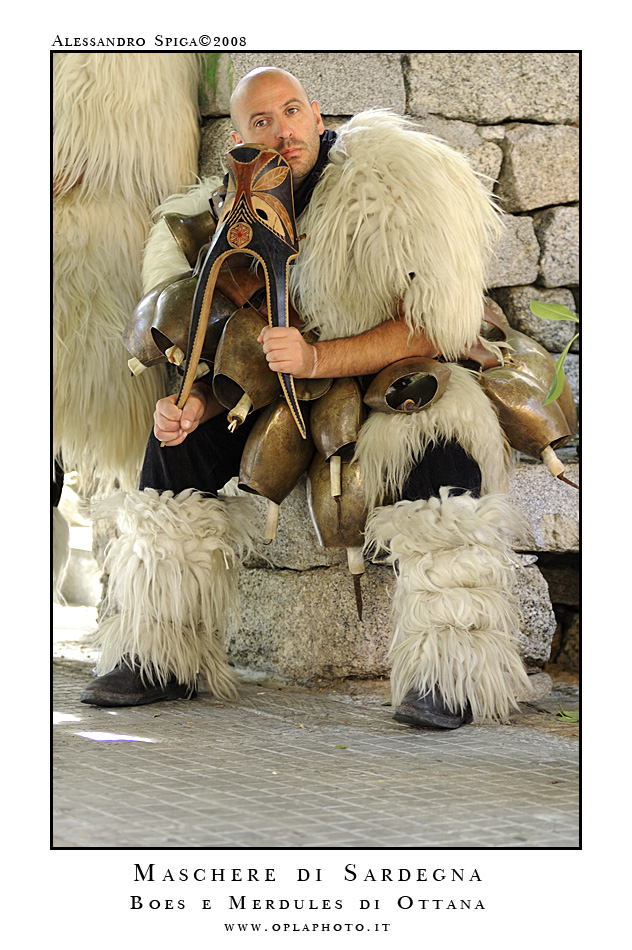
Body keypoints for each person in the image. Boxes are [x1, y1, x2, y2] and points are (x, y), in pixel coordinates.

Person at [81, 67, 532, 728]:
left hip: (388, 375)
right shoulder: (215, 214)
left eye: (291, 112)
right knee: (173, 446)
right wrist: (192, 406)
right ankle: (158, 654)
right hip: (274, 394)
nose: (281, 131)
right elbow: (214, 341)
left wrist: (321, 356)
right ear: (237, 138)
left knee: (440, 433)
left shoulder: (389, 185)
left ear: (317, 115)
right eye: (261, 121)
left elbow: (435, 324)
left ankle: (450, 674)